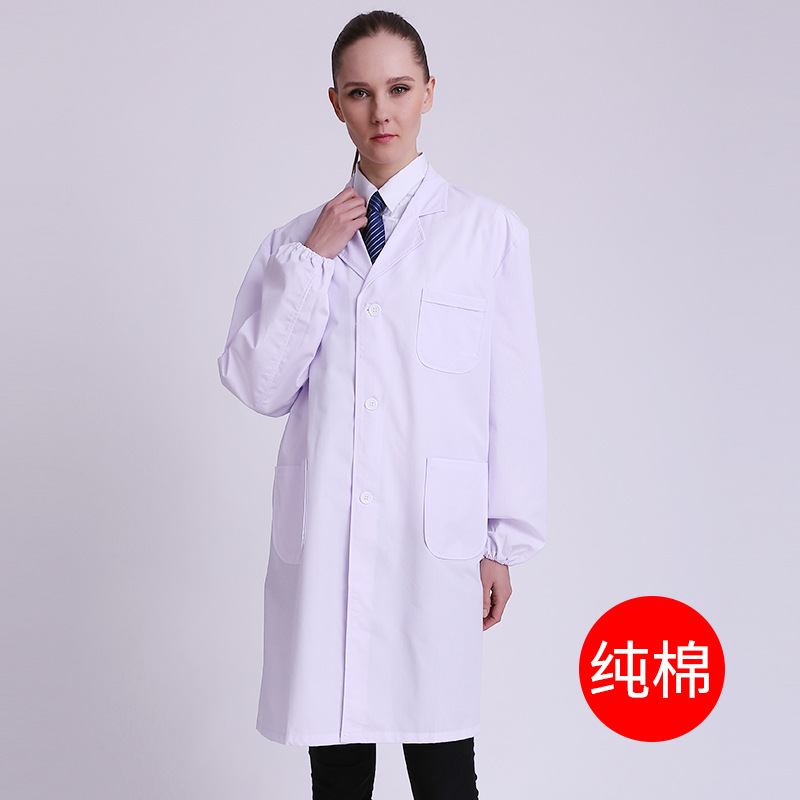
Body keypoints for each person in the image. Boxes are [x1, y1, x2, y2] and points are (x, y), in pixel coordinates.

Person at [217, 10, 546, 799]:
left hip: (433, 538)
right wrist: (313, 262)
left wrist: (501, 541)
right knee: (337, 767)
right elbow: (260, 385)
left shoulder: (486, 233)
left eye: (398, 89)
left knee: (442, 765)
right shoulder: (294, 242)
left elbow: (512, 398)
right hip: (328, 536)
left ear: (429, 92)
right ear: (335, 102)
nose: (381, 112)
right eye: (360, 93)